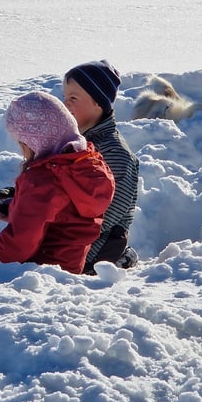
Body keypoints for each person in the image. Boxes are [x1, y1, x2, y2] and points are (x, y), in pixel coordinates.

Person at [0, 91, 115, 275]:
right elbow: (61, 213)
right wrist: (15, 208)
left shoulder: (41, 180)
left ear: (34, 141)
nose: (22, 149)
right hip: (69, 271)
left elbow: (21, 242)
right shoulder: (87, 168)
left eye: (22, 143)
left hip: (38, 272)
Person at [63, 60, 141, 272]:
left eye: (73, 98)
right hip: (68, 239)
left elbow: (107, 216)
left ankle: (121, 260)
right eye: (64, 98)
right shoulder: (73, 144)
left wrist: (59, 232)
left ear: (98, 102)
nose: (65, 105)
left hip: (97, 248)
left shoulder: (115, 154)